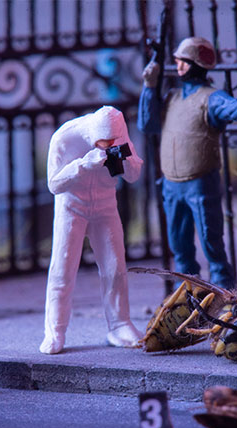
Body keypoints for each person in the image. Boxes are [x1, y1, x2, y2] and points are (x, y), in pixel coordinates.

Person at [138, 36, 237, 290]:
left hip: (200, 184)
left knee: (211, 243)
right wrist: (149, 87)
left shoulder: (210, 97)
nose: (179, 66)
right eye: (178, 61)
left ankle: (224, 293)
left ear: (198, 64)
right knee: (179, 245)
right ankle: (186, 293)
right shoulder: (172, 97)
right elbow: (147, 124)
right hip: (172, 185)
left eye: (184, 62)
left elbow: (231, 107)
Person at [41, 106, 143, 354]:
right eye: (104, 142)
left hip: (105, 205)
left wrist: (127, 159)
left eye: (113, 141)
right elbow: (53, 184)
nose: (109, 145)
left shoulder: (119, 132)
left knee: (115, 267)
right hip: (71, 207)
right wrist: (83, 165)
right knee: (63, 269)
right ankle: (55, 330)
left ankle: (119, 324)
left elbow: (133, 175)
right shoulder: (64, 137)